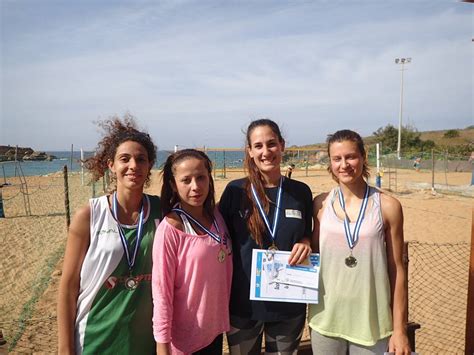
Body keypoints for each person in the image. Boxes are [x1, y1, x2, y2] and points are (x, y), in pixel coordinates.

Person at [57, 116, 161, 354]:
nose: (133, 165)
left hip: (145, 342)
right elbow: (68, 286)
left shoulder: (160, 210)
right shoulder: (90, 214)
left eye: (141, 159)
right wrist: (64, 349)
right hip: (95, 339)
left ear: (149, 165)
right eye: (125, 159)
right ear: (111, 165)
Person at [308, 129, 411, 355]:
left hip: (371, 324)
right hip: (326, 320)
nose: (344, 164)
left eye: (351, 156)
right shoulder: (320, 204)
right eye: (337, 158)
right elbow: (312, 255)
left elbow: (397, 270)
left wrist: (399, 330)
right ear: (331, 163)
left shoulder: (388, 206)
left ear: (363, 157)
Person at [219, 119, 313, 354]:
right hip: (243, 306)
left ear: (282, 145)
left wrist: (306, 242)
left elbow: (307, 233)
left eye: (271, 144)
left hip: (288, 305)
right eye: (258, 146)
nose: (265, 151)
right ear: (250, 151)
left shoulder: (301, 192)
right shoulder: (234, 191)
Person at [152, 149, 233, 355]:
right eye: (186, 180)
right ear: (173, 185)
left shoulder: (216, 215)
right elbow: (162, 294)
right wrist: (162, 347)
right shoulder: (170, 229)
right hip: (185, 342)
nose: (195, 187)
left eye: (201, 178)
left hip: (214, 332)